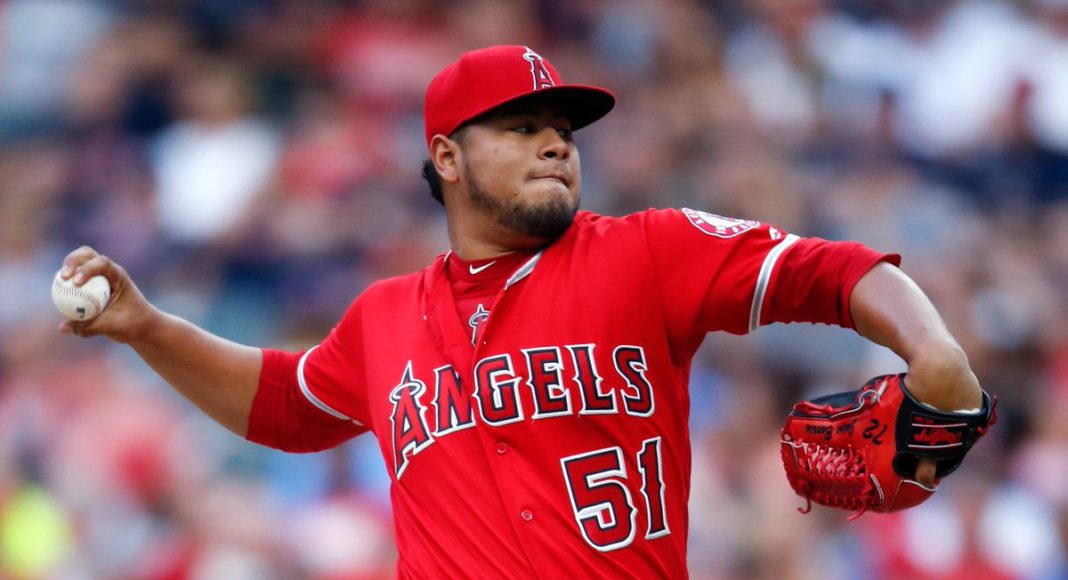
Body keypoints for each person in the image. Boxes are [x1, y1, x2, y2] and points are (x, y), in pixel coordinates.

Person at [59, 45, 983, 577]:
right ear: (447, 158)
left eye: (563, 131)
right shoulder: (383, 317)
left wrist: (935, 352)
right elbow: (284, 405)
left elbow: (829, 271)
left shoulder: (647, 252)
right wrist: (148, 328)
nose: (555, 145)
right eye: (521, 127)